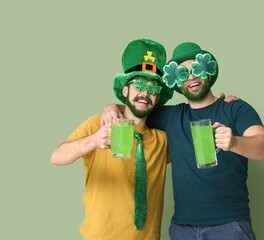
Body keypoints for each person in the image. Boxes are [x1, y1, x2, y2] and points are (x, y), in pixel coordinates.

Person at [101, 42, 264, 240]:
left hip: (229, 225)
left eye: (196, 69)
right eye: (182, 73)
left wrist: (234, 142)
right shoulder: (172, 116)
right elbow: (138, 107)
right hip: (182, 229)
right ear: (176, 82)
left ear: (208, 73)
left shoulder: (234, 109)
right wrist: (111, 107)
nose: (191, 76)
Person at [51, 39, 175, 240]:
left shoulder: (162, 140)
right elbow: (56, 157)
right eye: (140, 85)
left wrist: (222, 105)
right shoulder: (98, 124)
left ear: (158, 98)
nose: (145, 93)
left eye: (153, 89)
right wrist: (93, 141)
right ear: (125, 91)